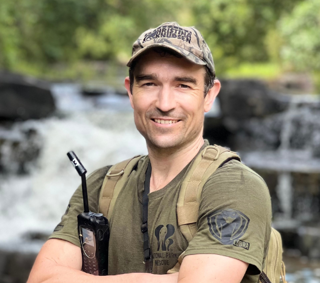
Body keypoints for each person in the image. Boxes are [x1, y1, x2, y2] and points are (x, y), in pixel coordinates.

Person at [27, 22, 271, 283]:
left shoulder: (236, 187)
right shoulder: (99, 188)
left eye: (183, 85)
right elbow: (40, 280)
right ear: (130, 92)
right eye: (149, 84)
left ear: (209, 95)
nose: (165, 104)